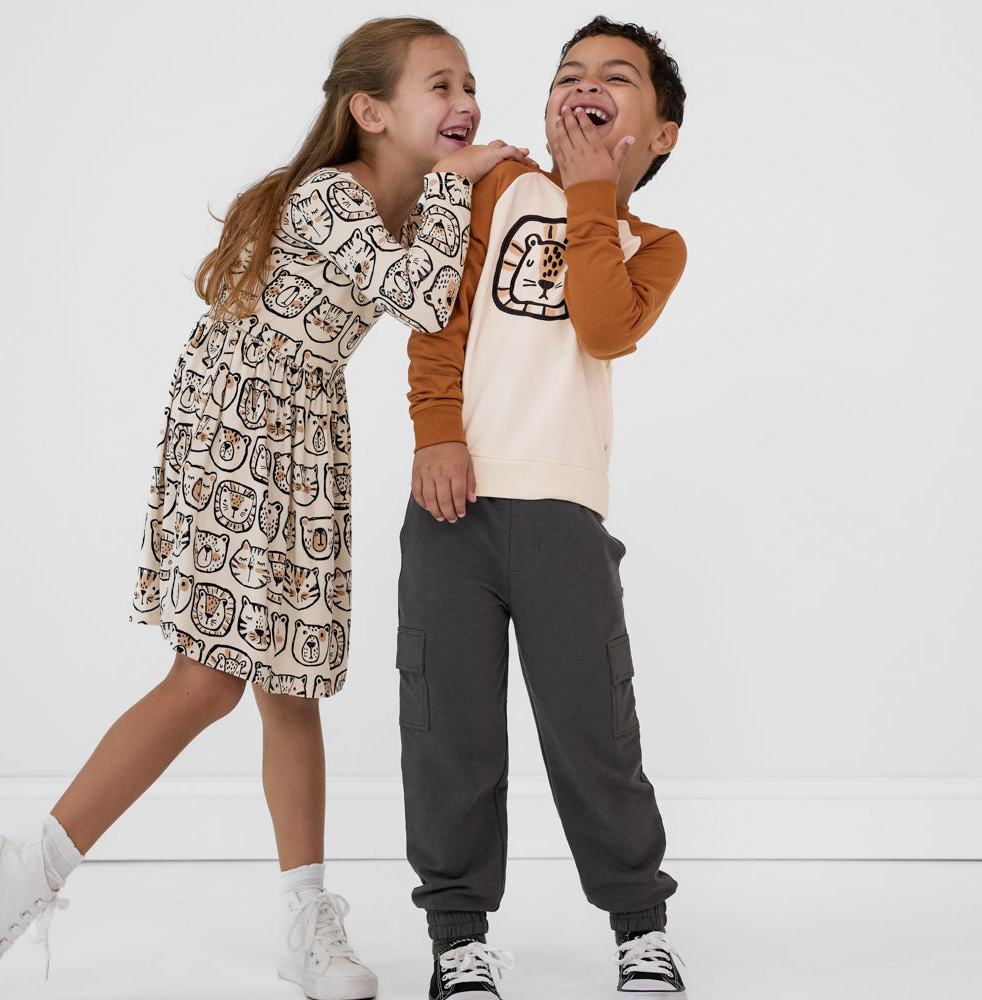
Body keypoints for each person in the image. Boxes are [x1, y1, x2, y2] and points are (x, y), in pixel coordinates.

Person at [0, 16, 532, 1000]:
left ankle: (302, 921)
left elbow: (448, 292)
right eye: (439, 86)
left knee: (290, 682)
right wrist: (463, 181)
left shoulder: (407, 206)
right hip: (239, 416)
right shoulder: (334, 195)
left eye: (470, 85)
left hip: (304, 428)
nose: (465, 104)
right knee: (209, 677)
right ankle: (23, 871)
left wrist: (476, 189)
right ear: (369, 111)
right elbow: (422, 298)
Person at [397, 15, 688, 999]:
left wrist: (593, 190)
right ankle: (456, 936)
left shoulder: (654, 243)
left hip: (562, 510)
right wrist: (436, 430)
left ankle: (638, 927)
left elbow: (601, 327)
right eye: (570, 71)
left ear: (660, 134)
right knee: (449, 727)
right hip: (453, 505)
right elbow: (437, 316)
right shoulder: (498, 189)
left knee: (592, 727)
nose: (586, 81)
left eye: (616, 76)